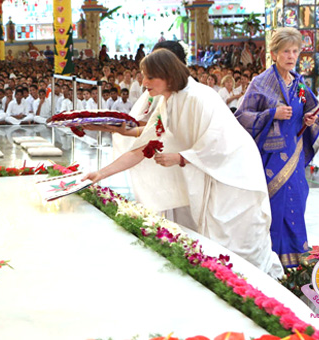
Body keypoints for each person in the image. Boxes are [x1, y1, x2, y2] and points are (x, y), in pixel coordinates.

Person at [82, 49, 284, 277]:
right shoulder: (167, 100)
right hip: (210, 171)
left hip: (232, 176)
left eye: (149, 77)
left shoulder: (200, 97)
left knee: (235, 244)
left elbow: (218, 140)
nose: (144, 82)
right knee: (211, 244)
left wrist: (181, 157)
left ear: (167, 75)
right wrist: (100, 174)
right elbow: (144, 146)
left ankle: (256, 294)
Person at [234, 28, 319, 268]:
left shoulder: (299, 83)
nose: (291, 56)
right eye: (286, 51)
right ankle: (270, 262)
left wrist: (308, 120)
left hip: (293, 159)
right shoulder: (260, 83)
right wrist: (272, 113)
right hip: (269, 160)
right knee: (273, 210)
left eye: (295, 51)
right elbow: (242, 116)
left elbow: (314, 111)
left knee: (296, 204)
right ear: (274, 54)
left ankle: (296, 264)